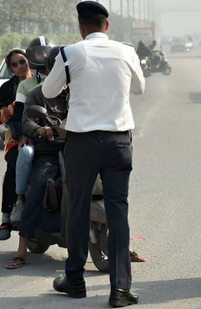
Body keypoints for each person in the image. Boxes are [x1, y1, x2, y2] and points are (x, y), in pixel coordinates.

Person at [42, 1, 145, 307]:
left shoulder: (70, 53)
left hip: (82, 143)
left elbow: (48, 92)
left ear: (81, 27)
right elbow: (140, 88)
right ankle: (120, 290)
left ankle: (74, 279)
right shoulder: (127, 51)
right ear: (107, 25)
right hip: (118, 143)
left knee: (77, 209)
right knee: (119, 211)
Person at [5, 46, 68, 270]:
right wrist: (40, 131)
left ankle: (120, 244)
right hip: (48, 152)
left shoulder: (74, 92)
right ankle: (21, 251)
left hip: (75, 151)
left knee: (109, 185)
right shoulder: (36, 94)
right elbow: (27, 121)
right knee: (38, 186)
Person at [0, 49, 33, 240]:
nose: (20, 66)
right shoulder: (6, 90)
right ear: (11, 69)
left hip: (44, 136)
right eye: (15, 64)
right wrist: (16, 105)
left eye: (22, 61)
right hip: (16, 139)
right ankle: (6, 215)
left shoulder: (43, 80)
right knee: (13, 165)